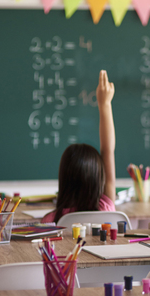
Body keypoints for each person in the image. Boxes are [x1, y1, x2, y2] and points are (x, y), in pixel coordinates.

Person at [42, 70, 116, 223]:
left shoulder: (52, 221)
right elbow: (108, 151)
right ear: (99, 178)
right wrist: (105, 104)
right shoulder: (105, 209)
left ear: (64, 178)